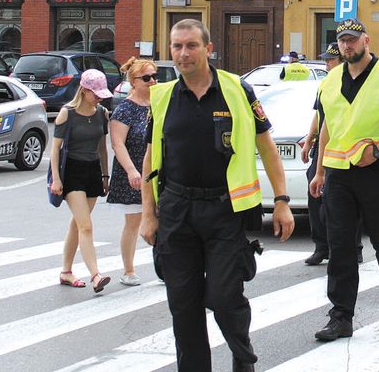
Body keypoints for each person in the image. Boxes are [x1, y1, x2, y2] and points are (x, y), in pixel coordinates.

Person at [139, 19, 293, 372]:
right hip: (177, 211)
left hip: (224, 209)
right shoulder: (162, 97)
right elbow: (150, 157)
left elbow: (267, 149)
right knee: (183, 304)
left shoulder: (238, 90)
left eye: (191, 45)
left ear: (208, 49)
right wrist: (149, 213)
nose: (183, 53)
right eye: (177, 46)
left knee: (224, 298)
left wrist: (282, 202)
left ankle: (243, 357)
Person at [309, 18, 379, 342]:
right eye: (342, 40)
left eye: (353, 40)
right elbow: (329, 126)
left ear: (366, 41)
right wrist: (319, 172)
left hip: (374, 170)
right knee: (341, 246)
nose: (347, 45)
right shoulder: (329, 81)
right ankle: (341, 316)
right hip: (338, 175)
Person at [48, 69, 113, 293]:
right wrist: (56, 179)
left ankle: (66, 271)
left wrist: (105, 175)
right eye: (96, 93)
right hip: (72, 171)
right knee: (85, 225)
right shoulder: (67, 113)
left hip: (92, 170)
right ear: (84, 90)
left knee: (78, 223)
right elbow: (55, 149)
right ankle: (96, 274)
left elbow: (102, 147)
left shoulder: (102, 113)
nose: (100, 97)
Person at [300, 43, 363, 266]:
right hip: (324, 147)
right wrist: (309, 140)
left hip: (344, 148)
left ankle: (354, 248)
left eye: (330, 60)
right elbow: (320, 115)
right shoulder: (326, 84)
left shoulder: (352, 83)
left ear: (342, 62)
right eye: (325, 60)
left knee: (345, 200)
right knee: (315, 195)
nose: (326, 64)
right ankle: (321, 246)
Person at [108, 57, 155, 286]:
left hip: (157, 172)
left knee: (164, 221)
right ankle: (128, 270)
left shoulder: (160, 103)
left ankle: (166, 269)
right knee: (134, 222)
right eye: (147, 78)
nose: (153, 81)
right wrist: (131, 171)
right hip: (135, 171)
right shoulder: (124, 109)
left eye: (155, 76)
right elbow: (117, 144)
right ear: (134, 81)